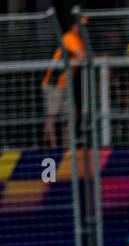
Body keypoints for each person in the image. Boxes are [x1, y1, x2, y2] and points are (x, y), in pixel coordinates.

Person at [41, 19, 85, 149]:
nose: (82, 28)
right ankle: (51, 148)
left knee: (69, 116)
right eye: (80, 25)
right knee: (52, 116)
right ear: (73, 26)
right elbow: (82, 56)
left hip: (66, 85)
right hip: (54, 84)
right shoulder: (70, 37)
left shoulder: (79, 40)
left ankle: (67, 148)